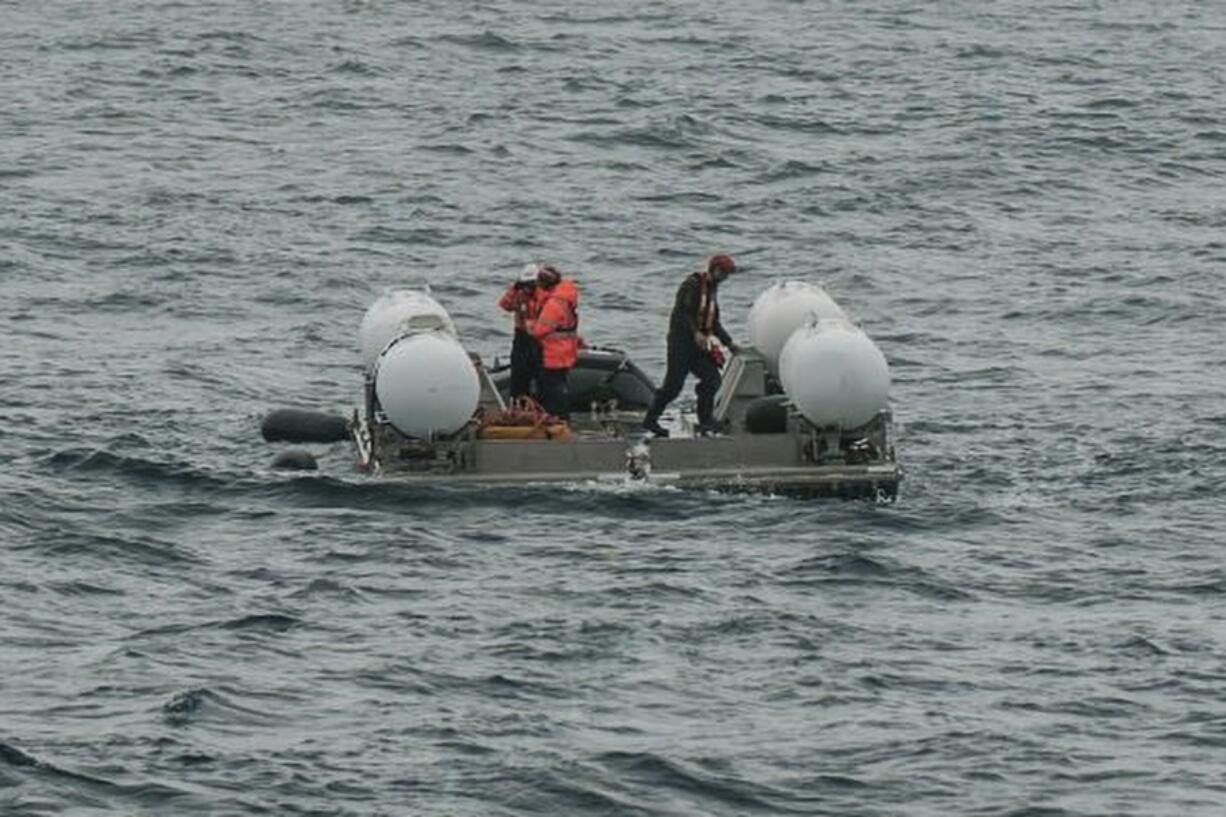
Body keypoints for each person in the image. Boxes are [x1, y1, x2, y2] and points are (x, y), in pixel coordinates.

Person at [641, 253, 740, 437]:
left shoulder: (712, 291)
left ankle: (705, 421)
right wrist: (695, 333)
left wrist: (729, 343)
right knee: (673, 386)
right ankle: (651, 420)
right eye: (724, 273)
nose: (725, 278)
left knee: (712, 380)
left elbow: (714, 323)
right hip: (681, 344)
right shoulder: (692, 285)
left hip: (699, 347)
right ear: (715, 270)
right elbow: (682, 313)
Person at [526, 264, 580, 422]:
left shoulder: (554, 303)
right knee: (558, 386)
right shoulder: (566, 297)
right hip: (565, 350)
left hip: (553, 352)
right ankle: (560, 418)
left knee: (552, 389)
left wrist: (530, 326)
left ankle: (558, 420)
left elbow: (540, 330)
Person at [498, 264, 543, 400]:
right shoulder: (519, 293)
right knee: (519, 375)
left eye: (532, 284)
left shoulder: (544, 295)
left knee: (540, 375)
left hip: (540, 338)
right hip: (522, 338)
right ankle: (518, 403)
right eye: (526, 283)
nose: (529, 287)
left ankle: (539, 404)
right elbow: (505, 305)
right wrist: (514, 289)